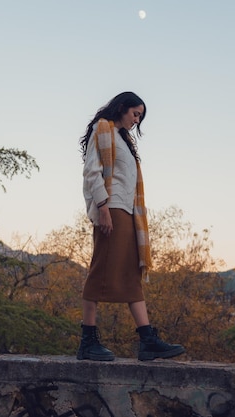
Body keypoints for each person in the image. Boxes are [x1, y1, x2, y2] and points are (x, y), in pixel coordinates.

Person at [77, 91, 185, 361]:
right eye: (135, 114)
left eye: (140, 116)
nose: (137, 120)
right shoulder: (102, 129)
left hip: (128, 213)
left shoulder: (123, 140)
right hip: (111, 210)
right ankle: (87, 341)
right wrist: (103, 208)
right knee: (101, 271)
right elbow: (92, 171)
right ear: (122, 108)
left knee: (131, 273)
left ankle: (147, 340)